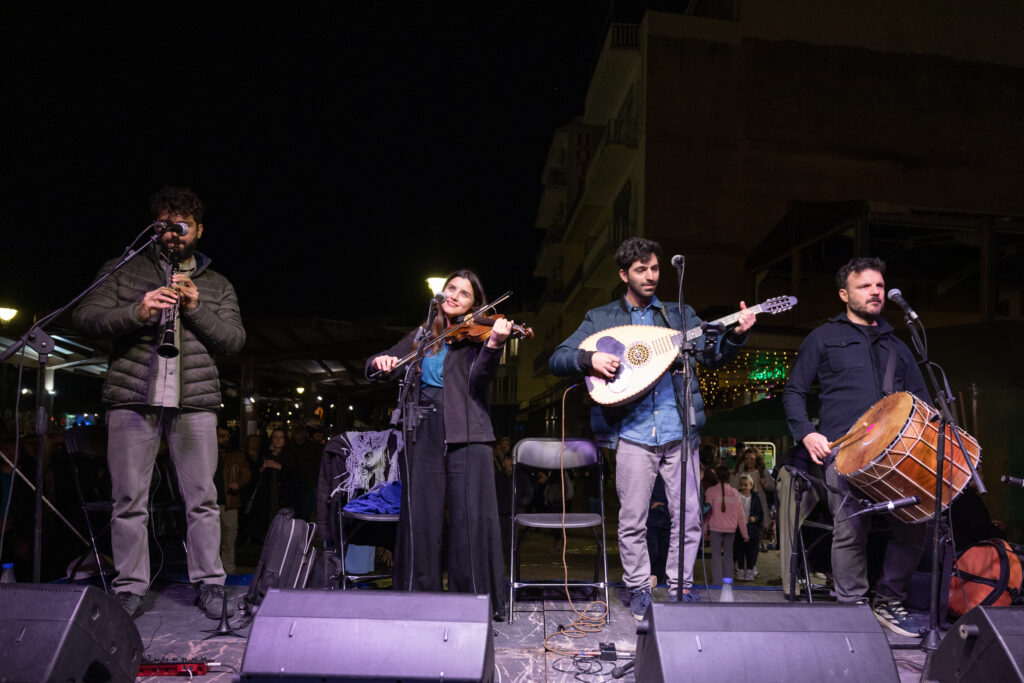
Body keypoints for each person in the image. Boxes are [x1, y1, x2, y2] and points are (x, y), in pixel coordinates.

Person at [548, 237, 756, 620]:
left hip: (680, 430)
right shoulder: (601, 317)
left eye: (655, 268)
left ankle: (681, 588)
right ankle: (639, 588)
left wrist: (737, 335)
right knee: (633, 520)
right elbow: (558, 357)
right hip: (632, 431)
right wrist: (589, 358)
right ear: (623, 274)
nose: (650, 276)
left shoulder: (680, 315)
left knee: (689, 517)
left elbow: (711, 355)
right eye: (641, 269)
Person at [72, 185, 245, 618]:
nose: (173, 234)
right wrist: (139, 310)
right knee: (128, 500)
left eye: (182, 226)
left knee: (203, 499)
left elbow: (234, 341)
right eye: (165, 226)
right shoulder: (122, 269)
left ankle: (210, 584)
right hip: (132, 398)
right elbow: (85, 318)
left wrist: (197, 307)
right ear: (154, 228)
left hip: (196, 402)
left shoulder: (218, 284)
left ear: (199, 230)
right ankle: (130, 587)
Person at [782, 256, 929, 637]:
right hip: (844, 452)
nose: (875, 292)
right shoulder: (823, 337)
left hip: (895, 454)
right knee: (851, 528)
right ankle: (853, 607)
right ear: (844, 294)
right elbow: (794, 392)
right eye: (865, 286)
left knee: (917, 522)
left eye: (879, 285)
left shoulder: (897, 344)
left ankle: (889, 598)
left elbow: (923, 402)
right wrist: (807, 433)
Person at [366, 270, 511, 618]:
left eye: (465, 294)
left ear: (474, 304)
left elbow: (479, 379)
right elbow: (377, 365)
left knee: (469, 519)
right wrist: (378, 362)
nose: (455, 296)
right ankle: (418, 600)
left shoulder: (478, 335)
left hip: (469, 430)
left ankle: (472, 603)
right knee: (422, 515)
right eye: (451, 289)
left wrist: (494, 345)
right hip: (423, 428)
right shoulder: (422, 336)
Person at [703, 465, 748, 586]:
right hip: (730, 528)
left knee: (716, 556)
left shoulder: (710, 491)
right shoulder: (735, 493)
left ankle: (717, 584)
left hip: (715, 528)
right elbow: (741, 515)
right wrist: (745, 533)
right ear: (729, 477)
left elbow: (707, 513)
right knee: (729, 556)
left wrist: (704, 530)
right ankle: (728, 583)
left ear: (716, 476)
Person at [215, 427, 251, 574]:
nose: (226, 439)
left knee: (228, 539)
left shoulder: (236, 455)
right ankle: (214, 570)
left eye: (227, 436)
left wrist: (238, 483)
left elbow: (246, 473)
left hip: (230, 502)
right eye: (222, 436)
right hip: (212, 502)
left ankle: (228, 569)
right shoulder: (209, 453)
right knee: (212, 540)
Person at [730, 445, 776, 552]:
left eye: (752, 459)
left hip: (758, 504)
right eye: (746, 458)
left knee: (756, 527)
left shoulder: (761, 470)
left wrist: (765, 483)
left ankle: (755, 549)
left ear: (757, 459)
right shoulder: (740, 471)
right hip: (743, 503)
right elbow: (733, 486)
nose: (749, 461)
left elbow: (772, 486)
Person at [733, 473, 763, 580]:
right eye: (741, 485)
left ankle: (750, 569)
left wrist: (755, 518)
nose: (743, 487)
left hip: (751, 529)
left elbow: (760, 513)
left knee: (751, 551)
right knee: (739, 550)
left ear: (751, 485)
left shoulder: (755, 498)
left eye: (746, 485)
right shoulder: (736, 496)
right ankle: (741, 569)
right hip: (739, 529)